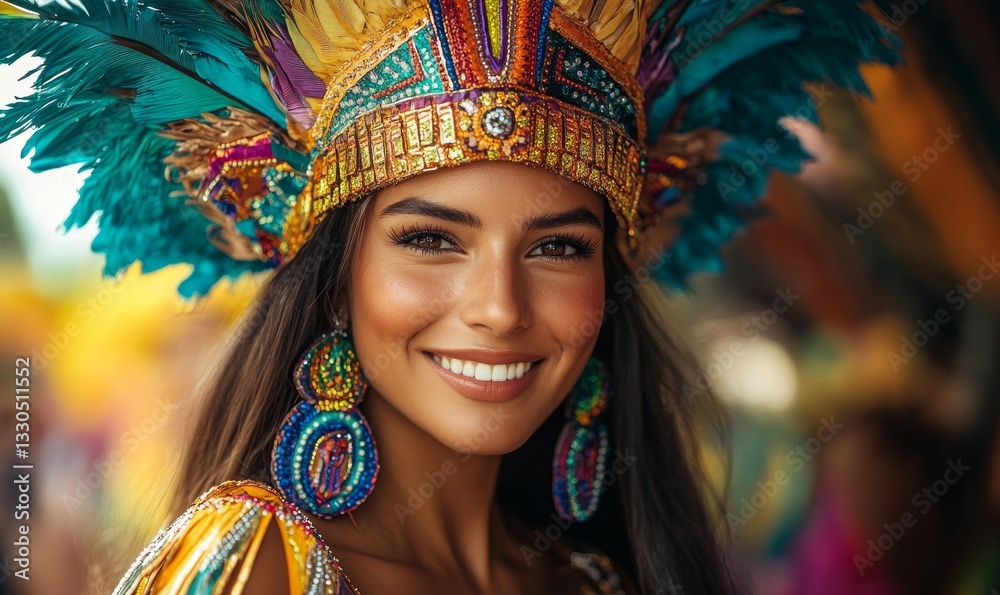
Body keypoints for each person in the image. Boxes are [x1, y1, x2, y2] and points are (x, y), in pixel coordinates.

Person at [0, 0, 900, 592]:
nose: (500, 307)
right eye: (431, 239)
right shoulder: (256, 566)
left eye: (556, 247)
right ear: (337, 281)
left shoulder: (597, 578)